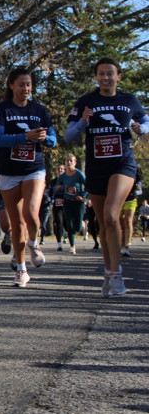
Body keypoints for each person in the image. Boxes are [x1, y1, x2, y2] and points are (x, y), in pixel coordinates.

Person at [65, 57, 149, 297]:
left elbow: (146, 121)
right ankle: (109, 273)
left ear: (118, 76)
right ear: (96, 77)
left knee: (112, 215)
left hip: (123, 163)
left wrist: (141, 129)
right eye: (101, 73)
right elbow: (69, 135)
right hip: (96, 166)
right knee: (104, 222)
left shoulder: (128, 100)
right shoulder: (86, 101)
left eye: (110, 73)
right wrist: (83, 122)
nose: (105, 77)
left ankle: (117, 274)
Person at [0, 67, 57, 287]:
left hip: (33, 169)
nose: (25, 88)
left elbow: (53, 139)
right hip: (8, 171)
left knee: (30, 212)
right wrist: (25, 136)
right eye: (21, 85)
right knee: (17, 224)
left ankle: (34, 243)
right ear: (11, 86)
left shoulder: (39, 110)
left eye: (28, 84)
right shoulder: (3, 109)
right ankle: (21, 270)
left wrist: (45, 138)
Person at [57, 154, 86, 254]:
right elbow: (58, 185)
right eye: (67, 161)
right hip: (67, 201)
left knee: (77, 227)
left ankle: (80, 225)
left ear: (75, 163)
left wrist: (83, 196)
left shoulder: (79, 174)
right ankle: (72, 246)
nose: (69, 162)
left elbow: (88, 185)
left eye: (71, 161)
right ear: (65, 163)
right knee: (69, 225)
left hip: (78, 202)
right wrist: (58, 188)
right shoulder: (63, 176)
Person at [119, 167, 143, 257]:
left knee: (128, 221)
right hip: (118, 198)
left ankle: (126, 246)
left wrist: (138, 185)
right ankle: (121, 245)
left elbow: (139, 178)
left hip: (131, 199)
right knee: (120, 225)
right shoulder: (115, 164)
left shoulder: (134, 166)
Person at [49, 164, 66, 251]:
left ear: (64, 170)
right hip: (57, 203)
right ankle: (59, 244)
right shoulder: (53, 181)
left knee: (66, 223)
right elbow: (50, 193)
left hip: (67, 203)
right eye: (58, 169)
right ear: (56, 171)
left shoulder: (67, 180)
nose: (60, 170)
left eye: (62, 169)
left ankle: (66, 235)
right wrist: (51, 200)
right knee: (59, 222)